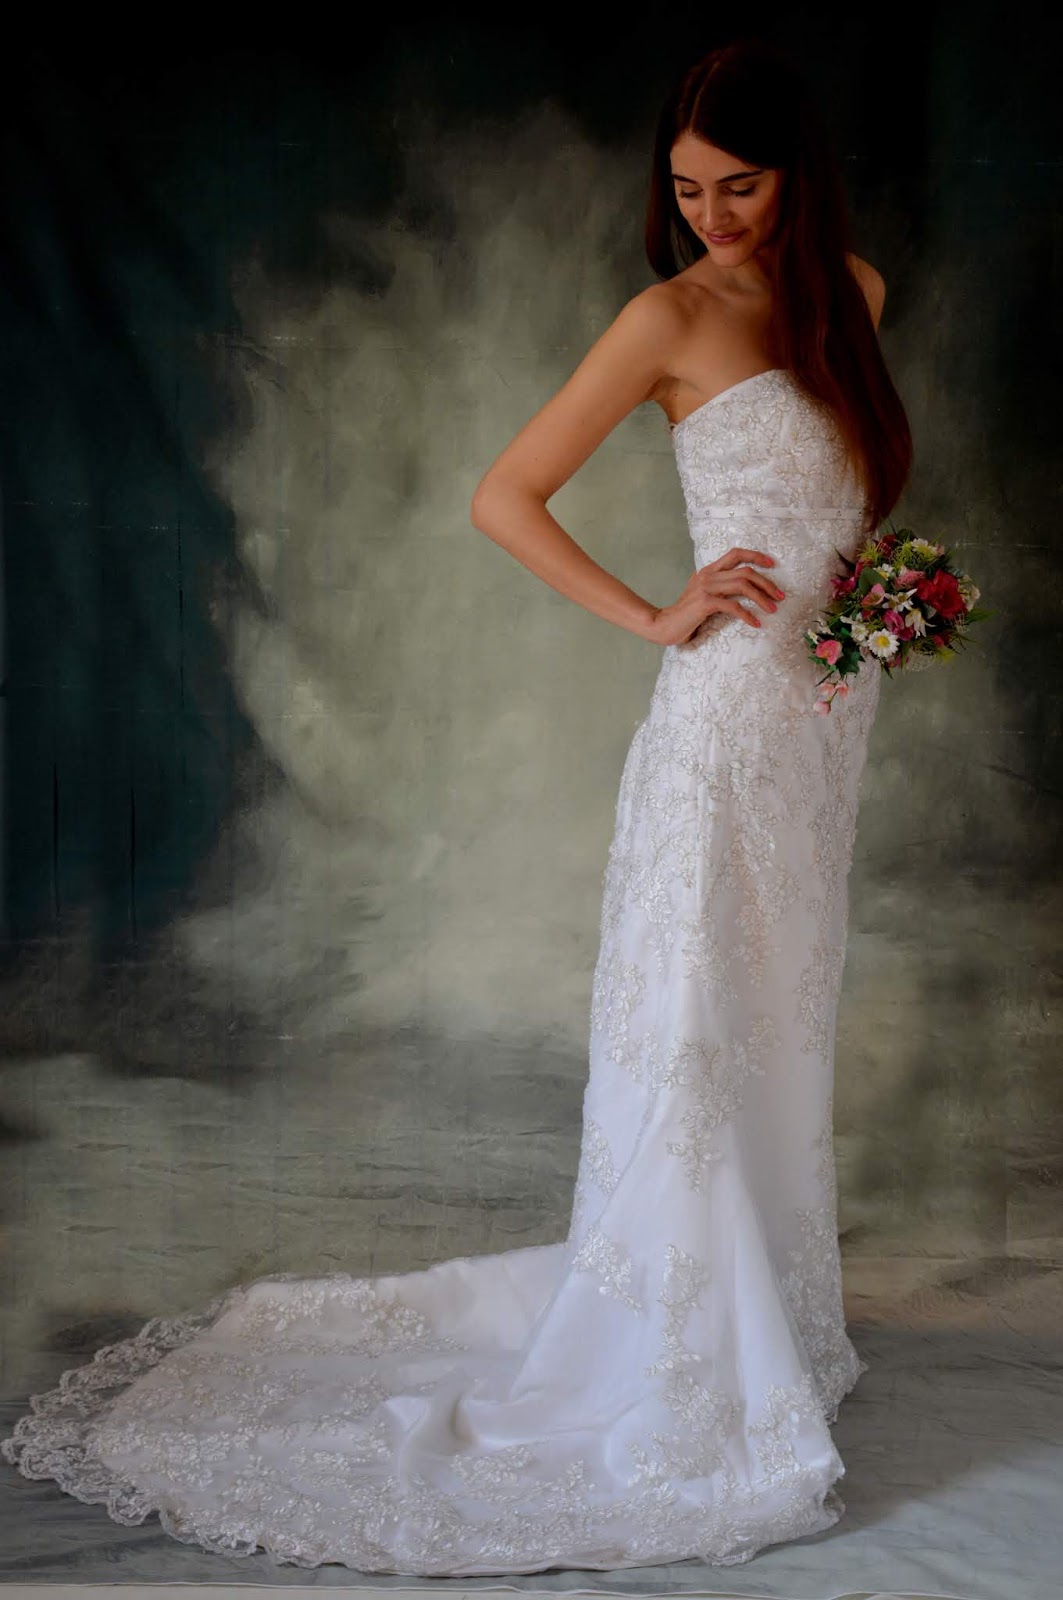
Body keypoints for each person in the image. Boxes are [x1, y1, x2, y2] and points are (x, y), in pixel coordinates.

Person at [1, 35, 912, 1577]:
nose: (710, 218)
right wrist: (655, 614)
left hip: (821, 727)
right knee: (696, 1024)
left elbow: (838, 503)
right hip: (720, 728)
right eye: (688, 189)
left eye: (741, 188)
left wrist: (877, 601)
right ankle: (682, 1349)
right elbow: (505, 495)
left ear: (800, 178)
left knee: (781, 1011)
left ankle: (765, 1308)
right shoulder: (667, 318)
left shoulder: (858, 297)